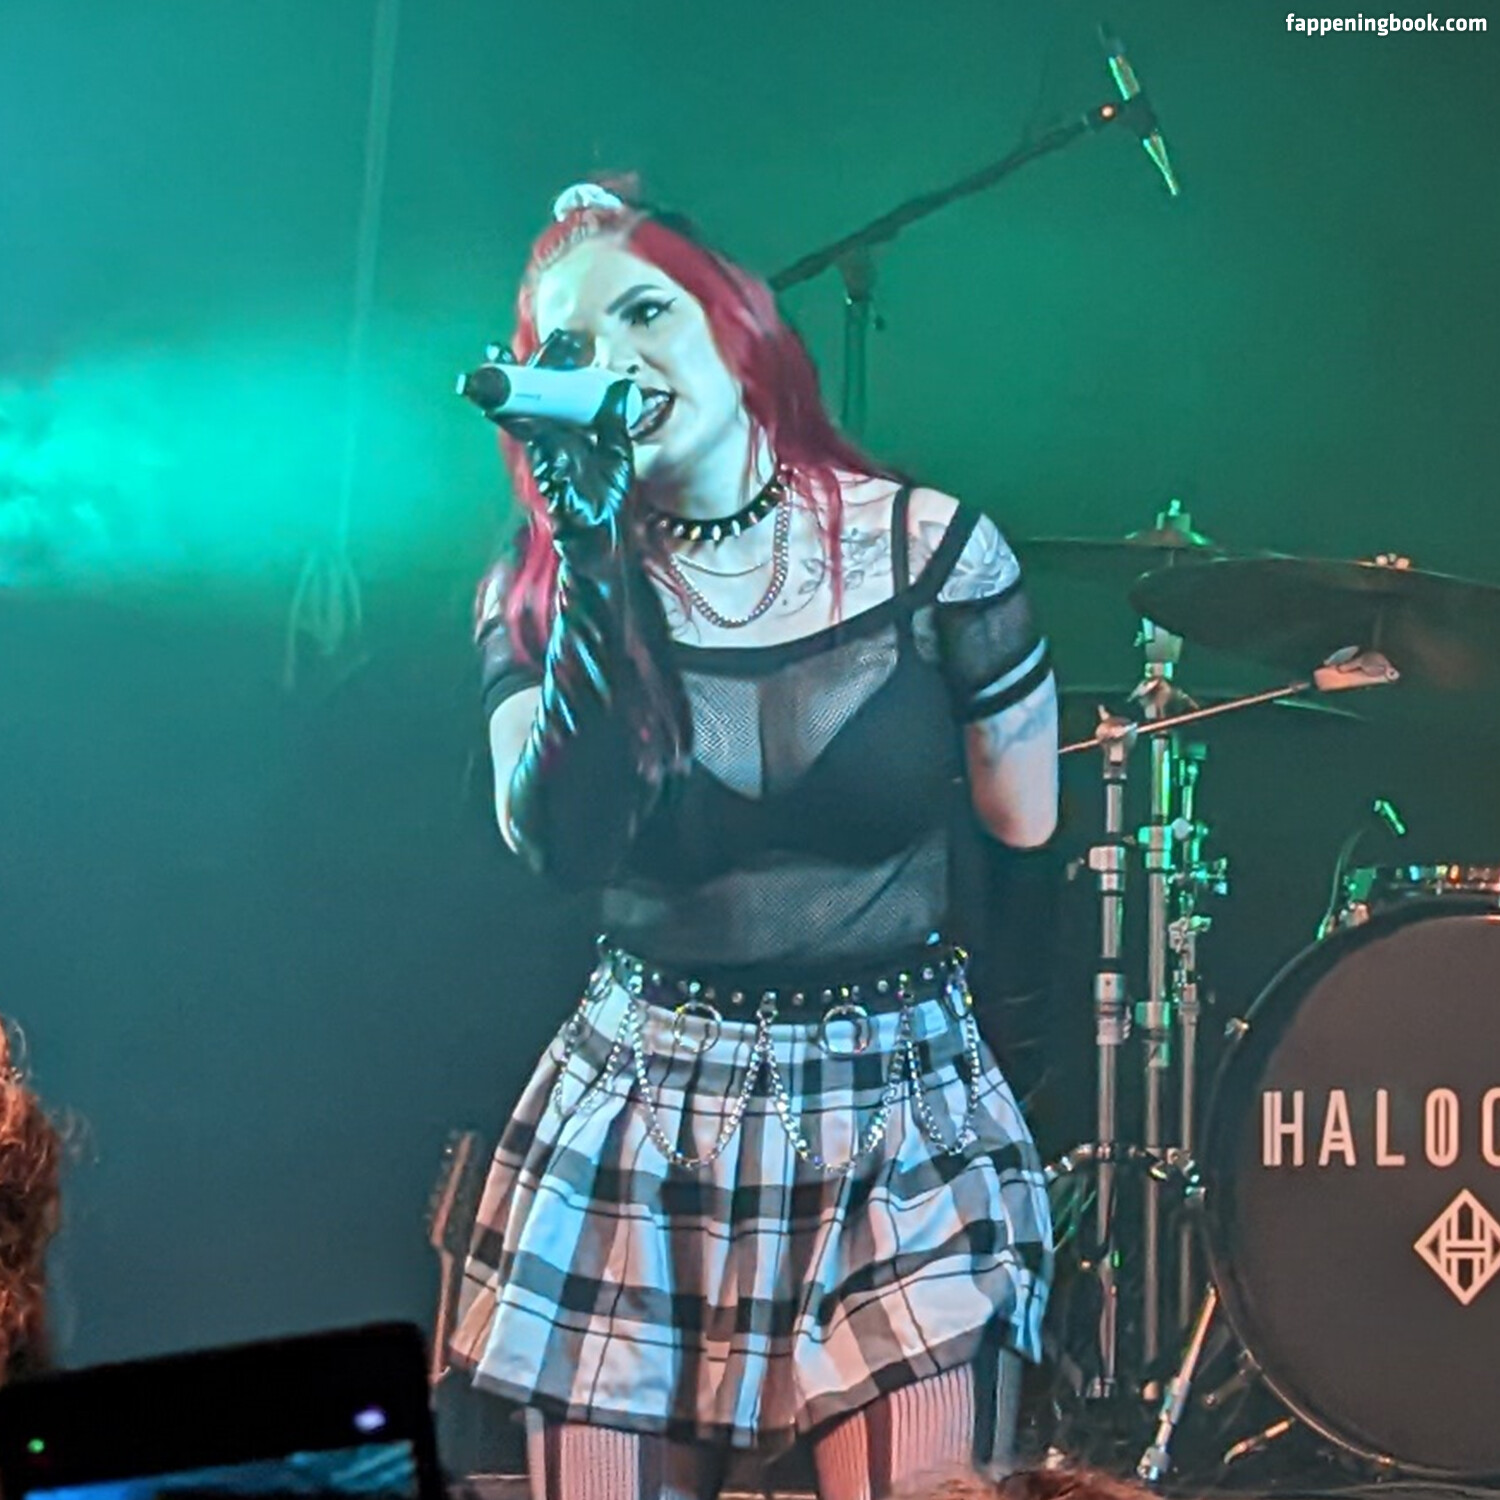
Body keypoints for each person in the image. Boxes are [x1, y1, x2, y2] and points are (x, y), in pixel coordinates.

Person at [450, 180, 1058, 1500]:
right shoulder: (538, 587)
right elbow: (557, 846)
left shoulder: (938, 551)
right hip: (646, 1115)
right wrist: (593, 560)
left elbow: (1027, 827)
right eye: (572, 348)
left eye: (647, 312)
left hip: (901, 1110)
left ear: (735, 321)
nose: (618, 361)